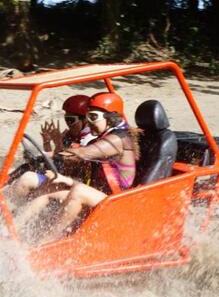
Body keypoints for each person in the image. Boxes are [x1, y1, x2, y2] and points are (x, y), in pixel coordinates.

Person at [18, 92, 138, 236]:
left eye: (93, 117)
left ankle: (48, 242)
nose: (89, 122)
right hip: (99, 194)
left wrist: (46, 153)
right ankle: (13, 229)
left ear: (111, 117)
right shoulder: (102, 137)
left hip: (118, 201)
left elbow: (83, 153)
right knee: (48, 189)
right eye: (88, 117)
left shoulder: (119, 139)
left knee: (79, 191)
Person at [11, 94, 94, 198]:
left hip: (71, 182)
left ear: (86, 119)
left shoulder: (89, 140)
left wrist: (48, 152)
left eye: (71, 120)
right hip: (59, 174)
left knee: (27, 178)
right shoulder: (69, 135)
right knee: (21, 169)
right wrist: (48, 142)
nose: (68, 124)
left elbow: (66, 158)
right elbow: (57, 159)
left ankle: (9, 209)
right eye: (66, 119)